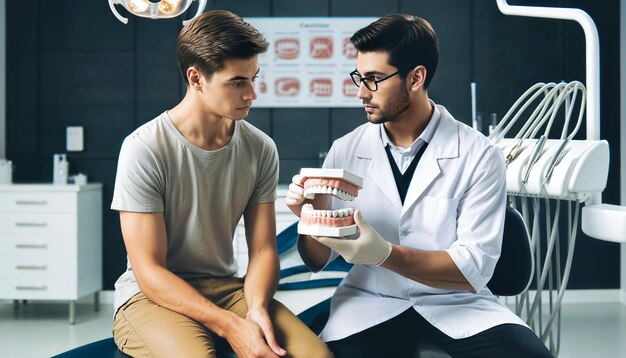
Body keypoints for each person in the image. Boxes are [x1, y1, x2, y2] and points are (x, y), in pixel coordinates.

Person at [286, 14, 552, 358]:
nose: (360, 92)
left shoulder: (479, 154)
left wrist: (384, 253)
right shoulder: (346, 149)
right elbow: (317, 260)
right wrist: (310, 218)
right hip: (370, 303)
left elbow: (472, 268)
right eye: (358, 77)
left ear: (416, 77)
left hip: (459, 304)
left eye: (374, 79)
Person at [110, 10, 331, 358]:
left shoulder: (260, 148)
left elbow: (262, 250)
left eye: (254, 78)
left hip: (228, 288)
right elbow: (149, 270)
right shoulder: (144, 148)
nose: (252, 94)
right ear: (196, 78)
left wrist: (256, 307)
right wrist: (231, 326)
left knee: (316, 356)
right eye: (237, 82)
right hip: (151, 295)